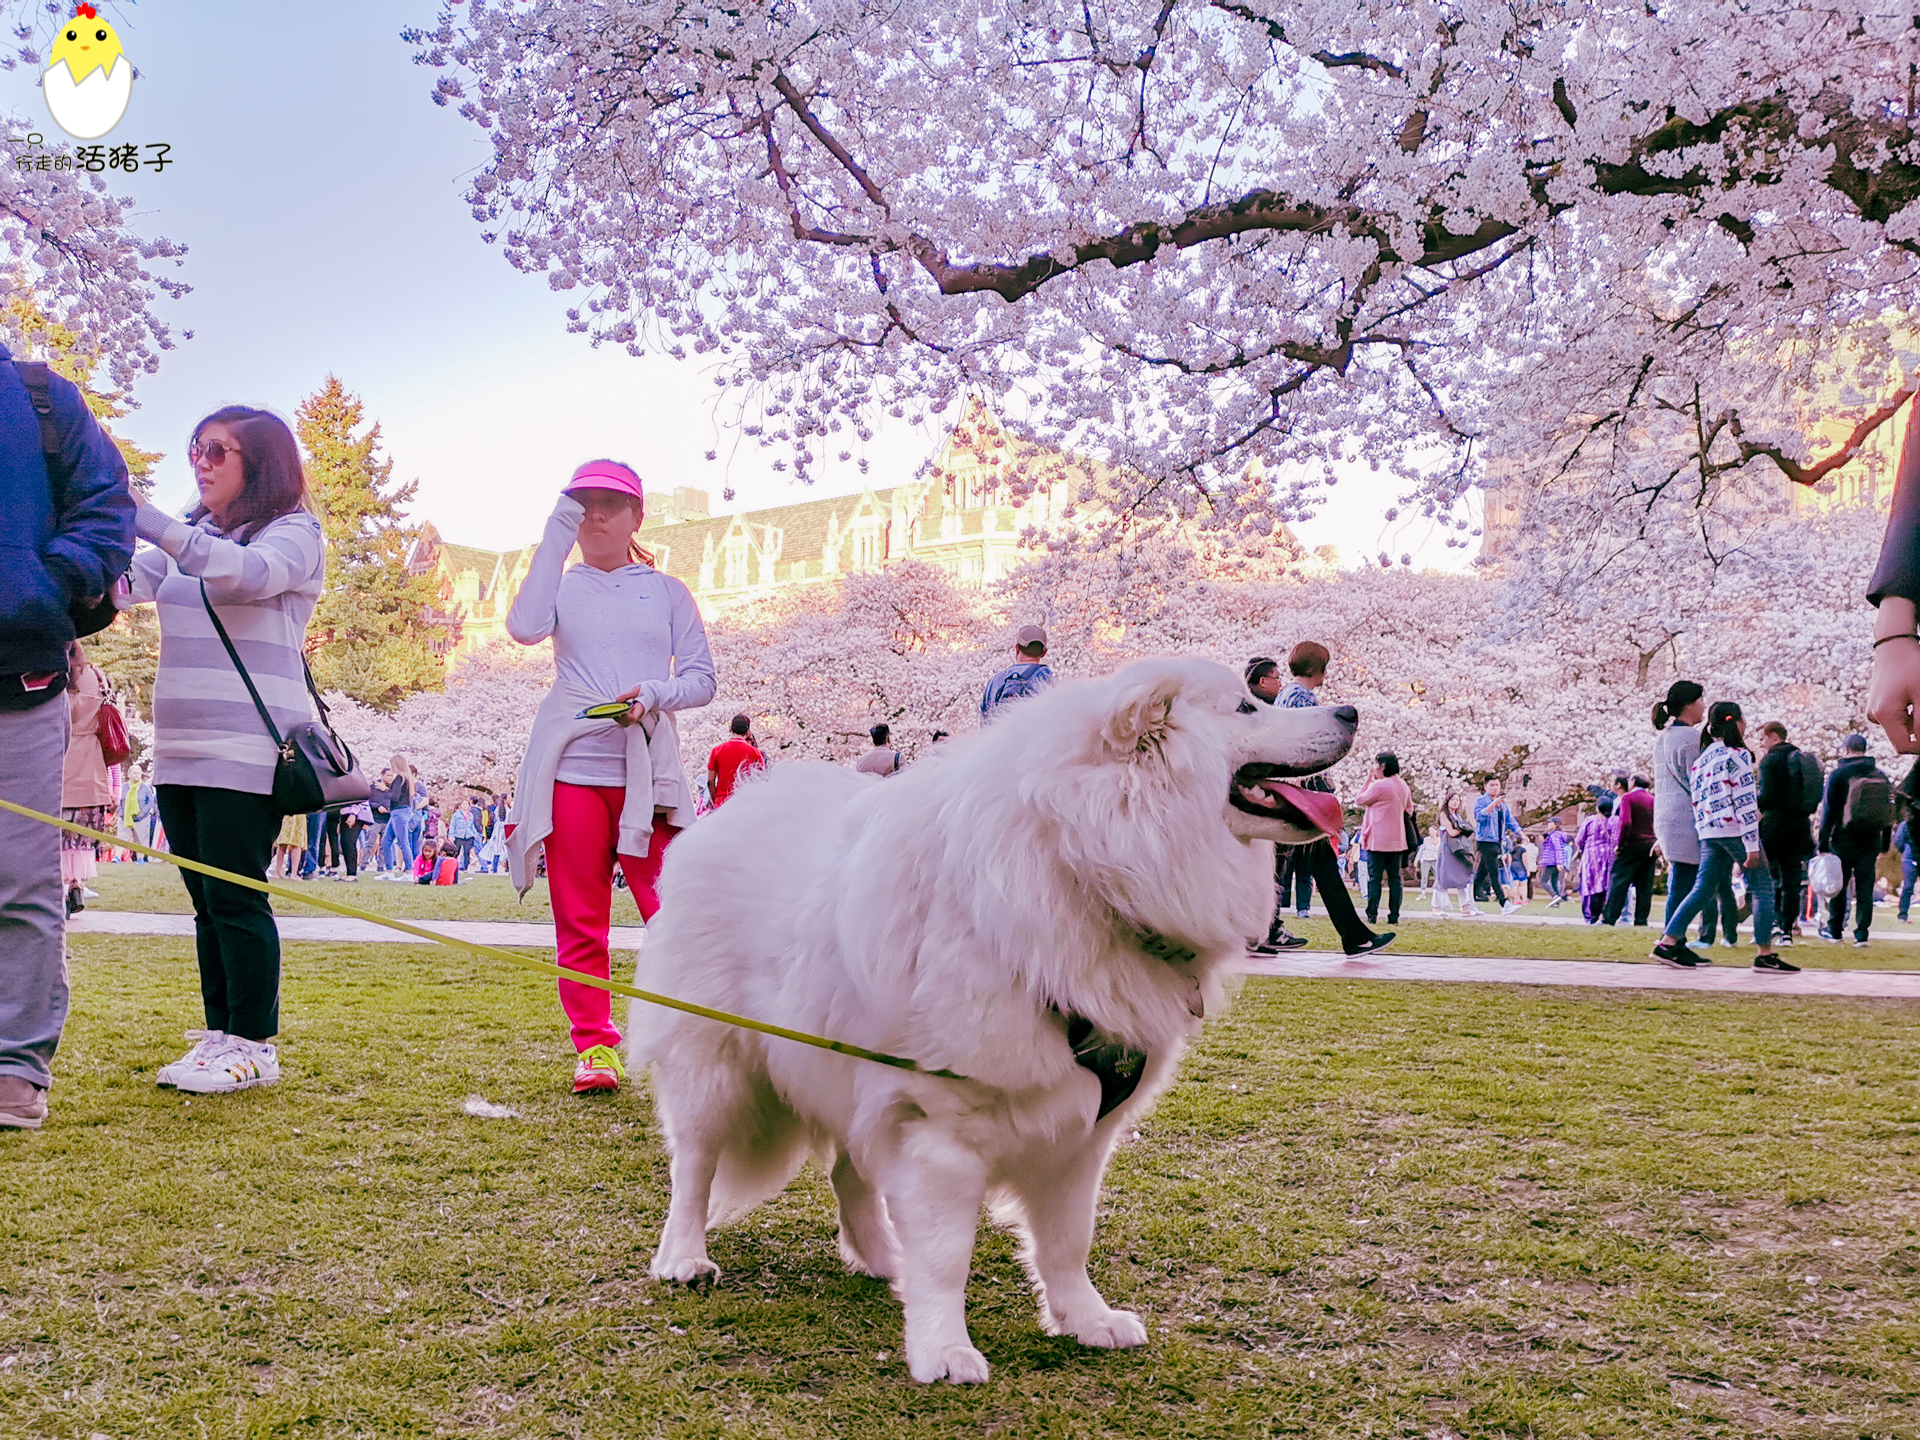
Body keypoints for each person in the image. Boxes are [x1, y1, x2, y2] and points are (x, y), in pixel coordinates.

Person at [128, 405, 327, 1096]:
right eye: (196, 448)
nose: (201, 462)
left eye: (218, 451)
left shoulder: (295, 533)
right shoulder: (195, 537)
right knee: (205, 901)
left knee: (239, 898)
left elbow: (245, 575)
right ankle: (221, 1033)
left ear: (259, 464)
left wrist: (149, 517)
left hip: (248, 748)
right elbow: (126, 585)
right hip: (180, 744)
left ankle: (255, 1044)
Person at [504, 459, 716, 1095]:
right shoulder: (560, 584)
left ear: (636, 516)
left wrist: (653, 692)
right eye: (583, 503)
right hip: (570, 768)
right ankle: (594, 1047)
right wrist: (556, 531)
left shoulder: (668, 591)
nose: (596, 514)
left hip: (648, 770)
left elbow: (703, 680)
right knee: (580, 918)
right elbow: (523, 627)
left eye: (610, 504)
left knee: (677, 908)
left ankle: (701, 1032)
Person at [0, 342, 134, 1132]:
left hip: (19, 675)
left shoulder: (44, 398)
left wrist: (46, 584)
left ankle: (15, 1064)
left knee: (20, 883)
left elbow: (106, 505)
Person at [1254, 643, 1393, 955]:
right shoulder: (1304, 698)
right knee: (1314, 864)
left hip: (1291, 790)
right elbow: (1307, 747)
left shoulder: (1285, 695)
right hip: (1301, 792)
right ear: (1317, 669)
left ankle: (1263, 930)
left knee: (1283, 864)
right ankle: (1353, 937)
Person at [1649, 702, 1794, 972]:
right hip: (1734, 829)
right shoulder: (1738, 755)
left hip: (1709, 830)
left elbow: (1698, 797)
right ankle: (1765, 953)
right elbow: (1745, 802)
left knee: (1702, 887)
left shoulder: (1704, 757)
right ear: (1738, 723)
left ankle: (1668, 940)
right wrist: (1751, 844)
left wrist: (1705, 829)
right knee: (1762, 886)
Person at [1651, 680, 1736, 946]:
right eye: (1700, 701)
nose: (1703, 707)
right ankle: (1676, 939)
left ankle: (1673, 935)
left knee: (1683, 880)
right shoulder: (1692, 738)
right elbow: (1699, 780)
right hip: (1691, 819)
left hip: (1666, 817)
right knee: (1698, 881)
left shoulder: (1663, 737)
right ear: (1689, 704)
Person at [1817, 733, 1893, 947]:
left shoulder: (1839, 774)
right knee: (1865, 887)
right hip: (1870, 839)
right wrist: (1885, 843)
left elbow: (1829, 810)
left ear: (1847, 750)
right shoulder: (1879, 774)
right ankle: (1862, 934)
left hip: (1843, 837)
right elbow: (1888, 811)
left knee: (1839, 886)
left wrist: (1823, 841)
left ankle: (1835, 930)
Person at [58, 641, 113, 916]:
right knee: (80, 837)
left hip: (60, 758)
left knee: (53, 834)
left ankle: (57, 890)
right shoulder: (99, 677)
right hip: (91, 765)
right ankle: (76, 884)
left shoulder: (55, 676)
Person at [1755, 721, 1818, 944]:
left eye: (1762, 738)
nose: (1761, 744)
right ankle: (1787, 930)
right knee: (1792, 880)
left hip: (1774, 826)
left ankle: (1769, 924)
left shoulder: (1770, 760)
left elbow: (1767, 796)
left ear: (1773, 737)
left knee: (1768, 877)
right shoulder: (1801, 758)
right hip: (1799, 826)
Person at [1354, 752, 1412, 927]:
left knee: (1374, 878)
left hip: (1378, 839)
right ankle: (1394, 915)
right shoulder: (1403, 785)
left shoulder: (1380, 785)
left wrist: (1367, 780)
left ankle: (1372, 914)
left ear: (1383, 766)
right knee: (1395, 879)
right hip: (1397, 839)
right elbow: (1409, 809)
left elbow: (1359, 799)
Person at [1601, 775, 1658, 926]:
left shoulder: (1628, 798)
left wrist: (1621, 844)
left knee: (1619, 881)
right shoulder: (1652, 799)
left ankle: (1609, 917)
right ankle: (1641, 920)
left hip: (1632, 844)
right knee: (1645, 885)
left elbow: (1626, 822)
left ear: (1633, 782)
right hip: (1650, 845)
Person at [981, 624, 1054, 720]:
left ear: (1017, 649)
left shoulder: (995, 680)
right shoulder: (1043, 675)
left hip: (998, 734)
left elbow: (985, 719)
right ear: (1044, 652)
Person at [1471, 777, 1521, 915]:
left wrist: (1520, 833)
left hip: (1497, 841)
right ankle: (1504, 903)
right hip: (1485, 841)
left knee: (1482, 873)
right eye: (1491, 785)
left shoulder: (1502, 804)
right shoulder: (1481, 801)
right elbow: (1479, 816)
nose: (1495, 788)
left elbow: (1510, 820)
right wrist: (1492, 804)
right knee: (1494, 872)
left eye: (1497, 785)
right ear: (1485, 786)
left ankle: (1469, 900)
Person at [1431, 793, 1481, 916]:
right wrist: (1463, 829)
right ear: (1447, 801)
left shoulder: (1457, 816)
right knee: (1443, 877)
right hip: (1448, 850)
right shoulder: (1444, 814)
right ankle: (1436, 907)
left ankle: (1466, 906)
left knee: (1464, 876)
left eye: (1457, 800)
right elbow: (1451, 832)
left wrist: (1462, 828)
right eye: (1453, 799)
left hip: (1459, 850)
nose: (1455, 802)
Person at [1572, 797, 1617, 924]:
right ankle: (1604, 914)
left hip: (1591, 857)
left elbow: (1579, 840)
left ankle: (1590, 916)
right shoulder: (1615, 821)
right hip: (1609, 857)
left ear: (1598, 808)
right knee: (1606, 884)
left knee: (1590, 884)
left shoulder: (1590, 821)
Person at [707, 714, 764, 807]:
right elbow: (761, 779)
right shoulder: (756, 753)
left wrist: (714, 798)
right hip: (746, 802)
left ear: (730, 728)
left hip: (722, 801)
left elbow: (710, 780)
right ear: (748, 732)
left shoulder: (717, 751)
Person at [383, 754, 420, 878]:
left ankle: (409, 872)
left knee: (403, 842)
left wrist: (384, 789)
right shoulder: (407, 779)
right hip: (399, 811)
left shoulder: (400, 778)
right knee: (386, 841)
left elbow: (394, 796)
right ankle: (389, 872)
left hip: (399, 812)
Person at [1537, 817, 1570, 905]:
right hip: (1552, 861)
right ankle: (1556, 902)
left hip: (1552, 861)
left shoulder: (1555, 835)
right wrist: (1544, 841)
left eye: (1550, 823)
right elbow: (1549, 847)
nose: (1548, 825)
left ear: (1556, 824)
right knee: (1554, 882)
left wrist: (1560, 862)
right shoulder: (1553, 835)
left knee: (1544, 882)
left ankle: (1556, 896)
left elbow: (1558, 848)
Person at [449, 797, 479, 869]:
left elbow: (472, 825)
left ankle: (465, 867)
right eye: (463, 804)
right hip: (459, 835)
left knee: (467, 852)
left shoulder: (470, 815)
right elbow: (452, 824)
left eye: (466, 804)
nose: (465, 805)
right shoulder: (456, 814)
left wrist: (475, 833)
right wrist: (451, 835)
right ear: (461, 806)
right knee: (456, 851)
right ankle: (454, 866)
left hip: (468, 835)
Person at [1416, 823, 1439, 900]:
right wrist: (1417, 859)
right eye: (1429, 831)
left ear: (1436, 831)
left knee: (1438, 876)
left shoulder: (1440, 840)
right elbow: (1421, 850)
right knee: (1424, 876)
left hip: (1435, 860)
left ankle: (1436, 892)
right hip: (1426, 859)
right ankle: (1422, 893)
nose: (1430, 832)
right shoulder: (1426, 840)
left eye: (1432, 830)